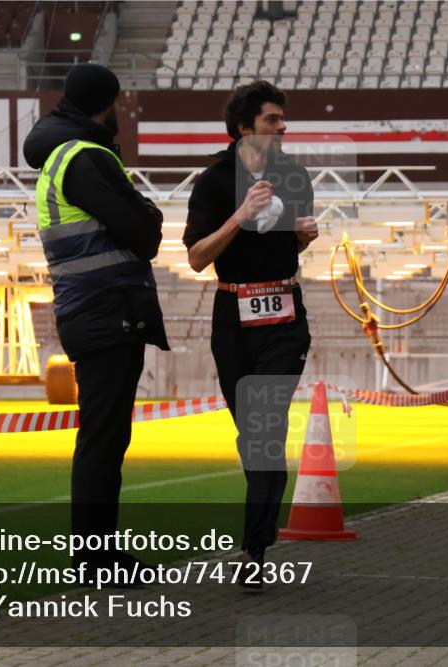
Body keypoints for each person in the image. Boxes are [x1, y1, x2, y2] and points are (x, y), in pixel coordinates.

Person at [23, 63, 168, 575]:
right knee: (103, 439)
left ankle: (97, 552)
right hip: (105, 310)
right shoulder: (85, 159)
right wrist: (147, 212)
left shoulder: (62, 158)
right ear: (109, 102)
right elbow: (145, 233)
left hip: (91, 310)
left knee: (103, 436)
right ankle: (94, 557)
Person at [183, 81, 318, 588]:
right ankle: (259, 535)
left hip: (284, 316)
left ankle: (254, 550)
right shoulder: (215, 181)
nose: (283, 127)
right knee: (252, 438)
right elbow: (196, 257)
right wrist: (239, 217)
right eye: (272, 120)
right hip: (231, 314)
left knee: (265, 431)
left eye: (283, 119)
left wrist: (302, 239)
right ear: (244, 128)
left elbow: (287, 248)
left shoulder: (294, 175)